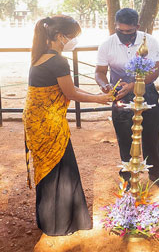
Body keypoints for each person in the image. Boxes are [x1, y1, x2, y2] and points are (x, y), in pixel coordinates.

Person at [23, 15, 111, 236]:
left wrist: (95, 96)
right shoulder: (58, 61)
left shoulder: (40, 56)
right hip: (50, 125)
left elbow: (67, 91)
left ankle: (49, 221)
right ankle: (60, 223)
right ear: (60, 36)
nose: (74, 41)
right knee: (60, 170)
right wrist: (99, 99)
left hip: (37, 123)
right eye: (72, 37)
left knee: (47, 170)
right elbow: (71, 93)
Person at [95, 8, 159, 189]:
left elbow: (154, 72)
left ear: (137, 26)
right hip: (120, 94)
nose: (124, 35)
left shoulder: (149, 42)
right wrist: (105, 86)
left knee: (151, 135)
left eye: (129, 31)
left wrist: (134, 86)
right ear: (115, 26)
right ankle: (127, 177)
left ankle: (156, 174)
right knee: (124, 137)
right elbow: (100, 72)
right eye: (120, 31)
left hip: (147, 93)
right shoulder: (107, 44)